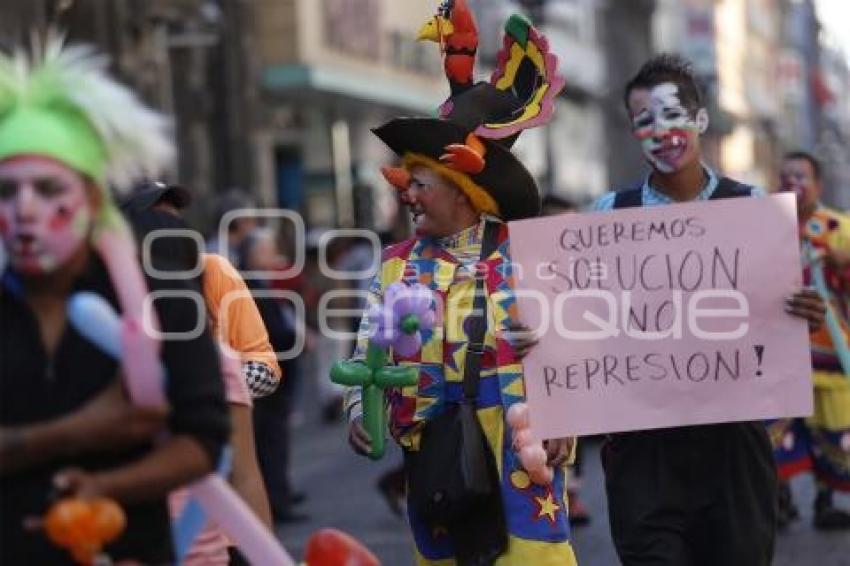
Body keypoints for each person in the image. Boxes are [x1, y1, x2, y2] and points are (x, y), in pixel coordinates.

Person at [344, 7, 577, 563]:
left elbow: (578, 347)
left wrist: (567, 413)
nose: (408, 195)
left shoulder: (531, 256)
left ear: (464, 192)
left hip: (521, 445)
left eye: (420, 183)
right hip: (436, 445)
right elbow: (367, 351)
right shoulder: (395, 266)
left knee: (533, 556)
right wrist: (360, 410)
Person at [588, 54, 825, 566]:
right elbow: (581, 319)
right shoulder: (608, 217)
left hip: (733, 446)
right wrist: (542, 337)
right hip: (643, 449)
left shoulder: (755, 209)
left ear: (699, 120)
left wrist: (802, 315)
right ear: (633, 131)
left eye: (672, 115)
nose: (661, 131)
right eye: (645, 120)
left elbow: (775, 320)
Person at [0, 36, 229, 563]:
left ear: (92, 198)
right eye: (7, 192)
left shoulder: (159, 296)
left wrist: (109, 487)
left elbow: (205, 442)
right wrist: (73, 433)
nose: (25, 211)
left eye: (47, 188)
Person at [769, 150, 850, 530]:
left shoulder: (839, 226)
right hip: (775, 347)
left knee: (833, 425)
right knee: (775, 427)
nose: (792, 183)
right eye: (786, 176)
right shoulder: (762, 225)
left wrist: (841, 263)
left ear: (818, 183)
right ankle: (778, 499)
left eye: (800, 176)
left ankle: (825, 499)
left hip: (827, 346)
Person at [237, 227, 308, 524]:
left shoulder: (260, 284)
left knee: (273, 440)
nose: (272, 254)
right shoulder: (250, 286)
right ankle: (275, 501)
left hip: (272, 376)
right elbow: (271, 333)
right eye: (265, 249)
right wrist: (295, 338)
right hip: (266, 377)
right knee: (269, 443)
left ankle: (279, 494)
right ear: (253, 254)